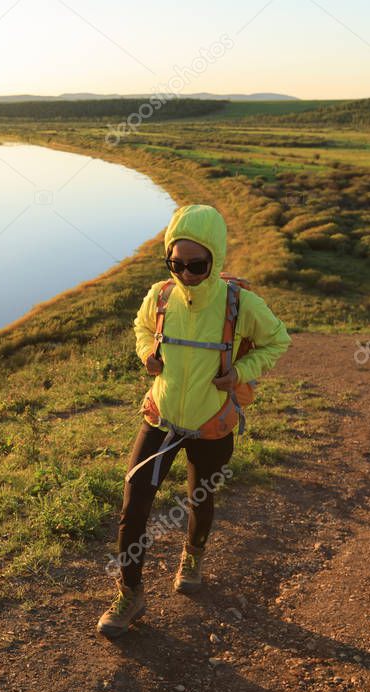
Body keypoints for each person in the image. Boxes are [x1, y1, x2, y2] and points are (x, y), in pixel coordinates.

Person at [97, 203, 291, 638]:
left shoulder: (241, 304)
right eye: (176, 263)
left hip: (211, 425)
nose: (184, 273)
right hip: (160, 419)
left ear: (215, 259)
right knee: (133, 508)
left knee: (199, 500)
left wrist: (239, 373)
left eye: (197, 265)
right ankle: (130, 594)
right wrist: (147, 352)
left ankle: (193, 554)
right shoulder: (161, 296)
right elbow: (142, 327)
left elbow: (277, 340)